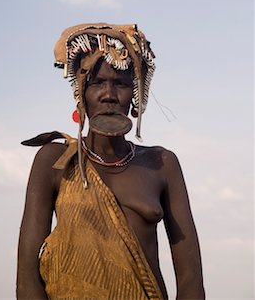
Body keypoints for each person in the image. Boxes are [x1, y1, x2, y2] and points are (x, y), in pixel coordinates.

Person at [17, 23, 205, 300]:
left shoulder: (162, 164)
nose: (108, 95)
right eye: (96, 83)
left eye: (120, 84)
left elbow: (190, 280)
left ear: (135, 95)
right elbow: (27, 277)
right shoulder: (54, 161)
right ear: (81, 93)